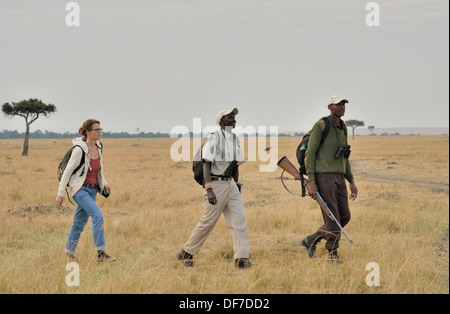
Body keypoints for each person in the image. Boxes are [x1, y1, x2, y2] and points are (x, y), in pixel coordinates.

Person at [176, 108, 252, 269]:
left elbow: (235, 165)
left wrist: (236, 187)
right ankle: (186, 252)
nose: (233, 119)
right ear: (221, 121)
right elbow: (206, 162)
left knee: (240, 221)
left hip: (230, 184)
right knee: (208, 221)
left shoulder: (235, 139)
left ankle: (241, 258)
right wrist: (208, 188)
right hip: (215, 184)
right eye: (230, 117)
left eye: (234, 117)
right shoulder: (215, 138)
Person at [302, 96, 358, 264]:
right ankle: (332, 254)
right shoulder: (321, 125)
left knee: (344, 217)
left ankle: (312, 238)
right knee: (333, 217)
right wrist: (311, 180)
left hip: (340, 177)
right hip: (324, 177)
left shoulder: (343, 127)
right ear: (329, 106)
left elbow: (345, 157)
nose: (342, 107)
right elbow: (309, 153)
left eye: (343, 104)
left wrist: (351, 180)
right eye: (338, 104)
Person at [56, 119, 116, 263]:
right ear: (88, 132)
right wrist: (60, 194)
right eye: (96, 130)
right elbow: (67, 172)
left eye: (100, 130)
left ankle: (69, 254)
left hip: (93, 191)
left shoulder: (99, 147)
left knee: (79, 223)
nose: (99, 132)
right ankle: (101, 254)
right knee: (98, 217)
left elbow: (98, 170)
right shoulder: (79, 150)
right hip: (80, 191)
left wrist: (104, 183)